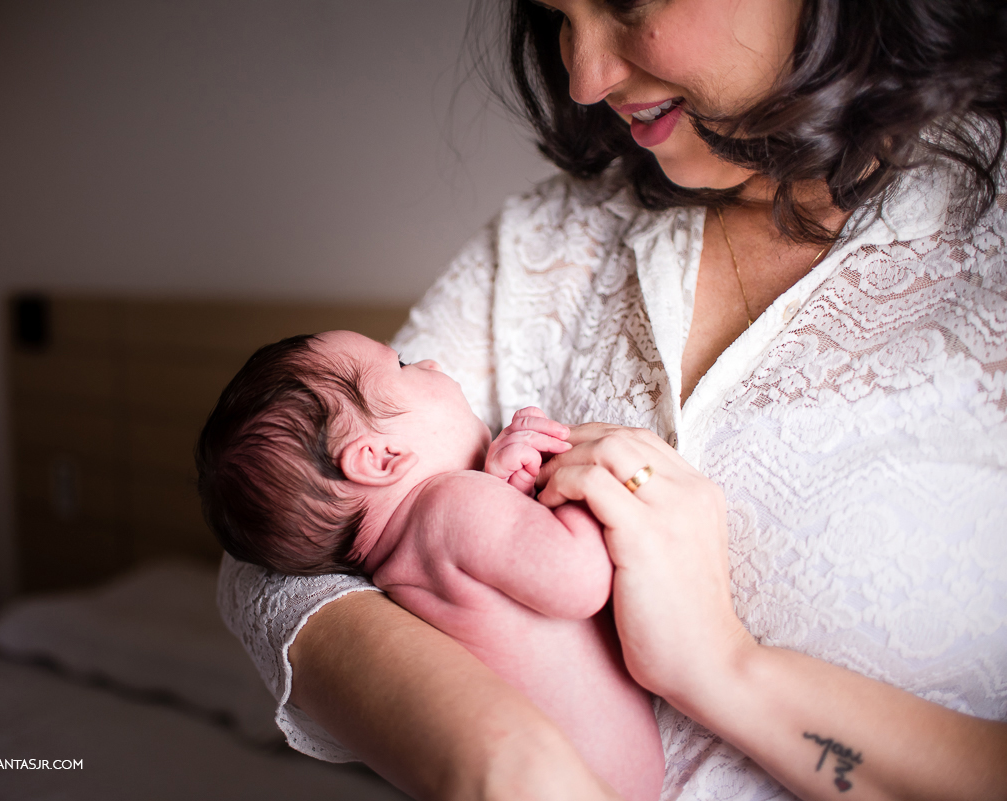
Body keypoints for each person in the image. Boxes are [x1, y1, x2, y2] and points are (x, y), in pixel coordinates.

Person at [214, 1, 1007, 798]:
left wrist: (723, 666)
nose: (584, 79)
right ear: (375, 455)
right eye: (558, 14)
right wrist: (502, 757)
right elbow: (271, 559)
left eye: (626, 1)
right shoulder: (547, 238)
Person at [197, 330, 664, 799]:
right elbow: (580, 580)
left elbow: (505, 591)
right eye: (401, 365)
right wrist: (565, 481)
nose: (432, 364)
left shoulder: (395, 572)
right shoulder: (454, 499)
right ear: (382, 458)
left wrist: (511, 490)